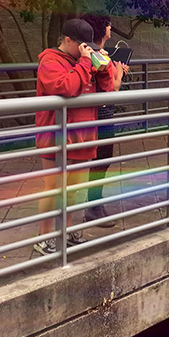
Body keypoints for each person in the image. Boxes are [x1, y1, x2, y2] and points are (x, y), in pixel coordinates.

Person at [34, 18, 106, 255]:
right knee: (54, 187)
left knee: (73, 188)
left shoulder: (83, 59)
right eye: (82, 46)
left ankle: (65, 233)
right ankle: (45, 238)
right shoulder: (50, 61)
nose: (86, 51)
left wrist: (102, 66)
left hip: (83, 133)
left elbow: (108, 88)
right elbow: (66, 87)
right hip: (56, 136)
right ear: (67, 40)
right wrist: (86, 63)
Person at [81, 14, 130, 224]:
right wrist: (119, 72)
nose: (111, 29)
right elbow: (113, 87)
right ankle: (93, 206)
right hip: (102, 113)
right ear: (103, 29)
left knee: (97, 160)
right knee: (102, 160)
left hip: (94, 112)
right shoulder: (100, 54)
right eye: (109, 25)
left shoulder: (90, 52)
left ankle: (93, 205)